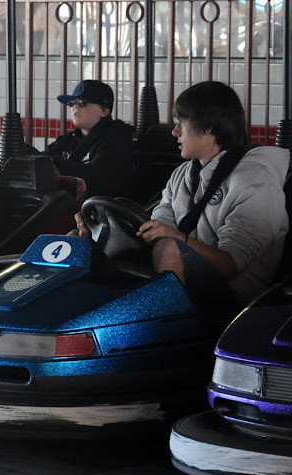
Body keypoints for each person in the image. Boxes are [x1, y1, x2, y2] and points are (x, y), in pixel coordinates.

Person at [75, 81, 289, 320]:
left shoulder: (255, 181)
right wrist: (98, 232)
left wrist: (176, 238)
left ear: (207, 128)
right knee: (77, 242)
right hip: (186, 283)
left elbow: (230, 266)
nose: (174, 131)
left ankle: (163, 332)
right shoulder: (183, 174)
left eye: (181, 123)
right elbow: (157, 229)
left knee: (168, 246)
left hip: (235, 306)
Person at [45, 80, 135, 197]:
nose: (75, 107)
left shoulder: (117, 139)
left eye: (82, 103)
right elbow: (41, 159)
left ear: (103, 111)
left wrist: (53, 163)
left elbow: (96, 177)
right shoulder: (68, 139)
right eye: (72, 103)